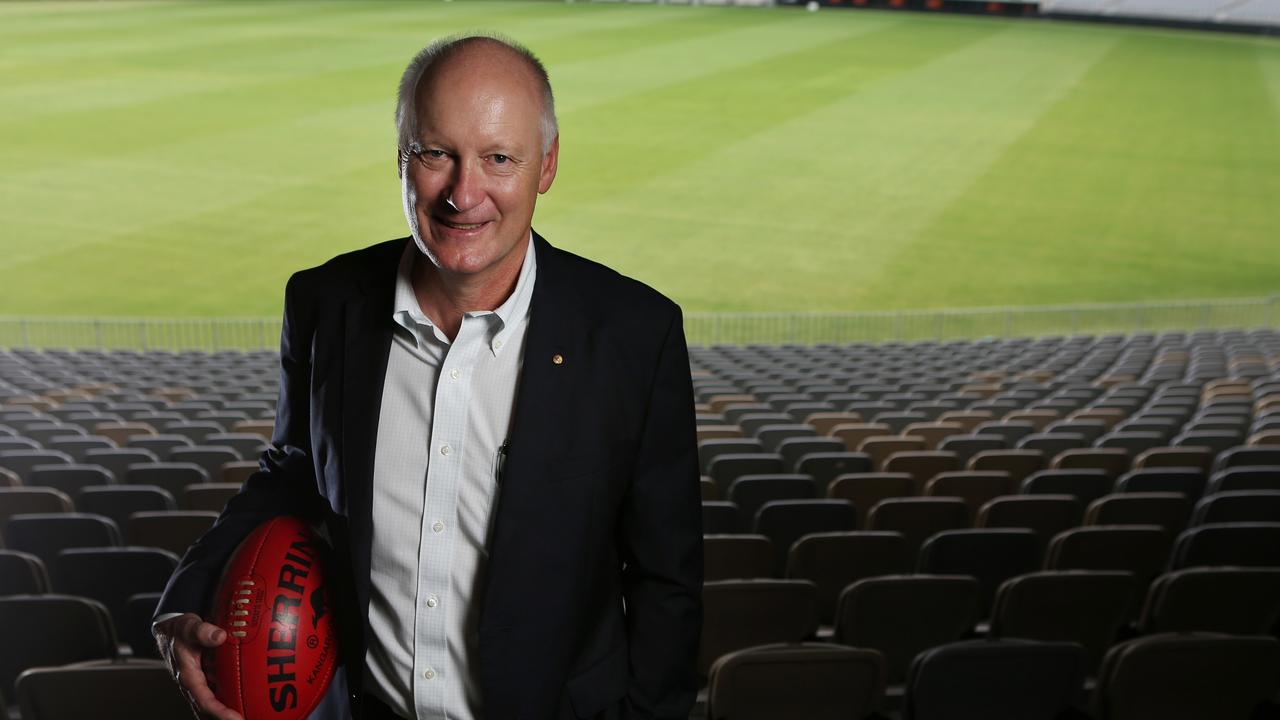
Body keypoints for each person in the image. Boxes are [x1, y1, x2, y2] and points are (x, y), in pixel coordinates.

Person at [153, 34, 703, 720]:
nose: (463, 193)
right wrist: (191, 587)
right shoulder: (326, 303)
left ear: (548, 164)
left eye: (498, 158)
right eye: (436, 153)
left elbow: (666, 582)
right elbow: (292, 471)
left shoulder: (632, 334)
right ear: (403, 158)